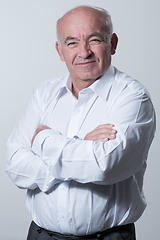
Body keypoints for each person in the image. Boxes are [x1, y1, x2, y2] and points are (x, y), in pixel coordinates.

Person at [6, 5, 156, 240]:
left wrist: (44, 141)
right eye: (72, 42)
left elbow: (105, 166)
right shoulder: (44, 94)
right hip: (41, 235)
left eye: (94, 40)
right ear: (60, 50)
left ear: (113, 43)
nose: (84, 52)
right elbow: (15, 166)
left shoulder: (133, 97)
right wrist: (82, 145)